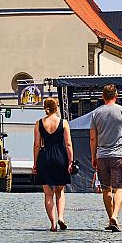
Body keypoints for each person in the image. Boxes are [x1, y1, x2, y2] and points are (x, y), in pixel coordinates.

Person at [90, 84, 122, 232]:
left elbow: (92, 138)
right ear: (116, 96)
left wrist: (93, 156)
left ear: (103, 97)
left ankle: (111, 219)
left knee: (105, 189)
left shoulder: (96, 113)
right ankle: (115, 216)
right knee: (119, 188)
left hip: (102, 155)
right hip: (119, 155)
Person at [32, 97, 73, 232]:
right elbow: (68, 144)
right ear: (57, 108)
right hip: (60, 156)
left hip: (44, 157)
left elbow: (37, 144)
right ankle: (61, 217)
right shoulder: (63, 122)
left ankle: (53, 223)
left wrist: (35, 163)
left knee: (48, 193)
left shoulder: (39, 123)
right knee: (60, 191)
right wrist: (70, 161)